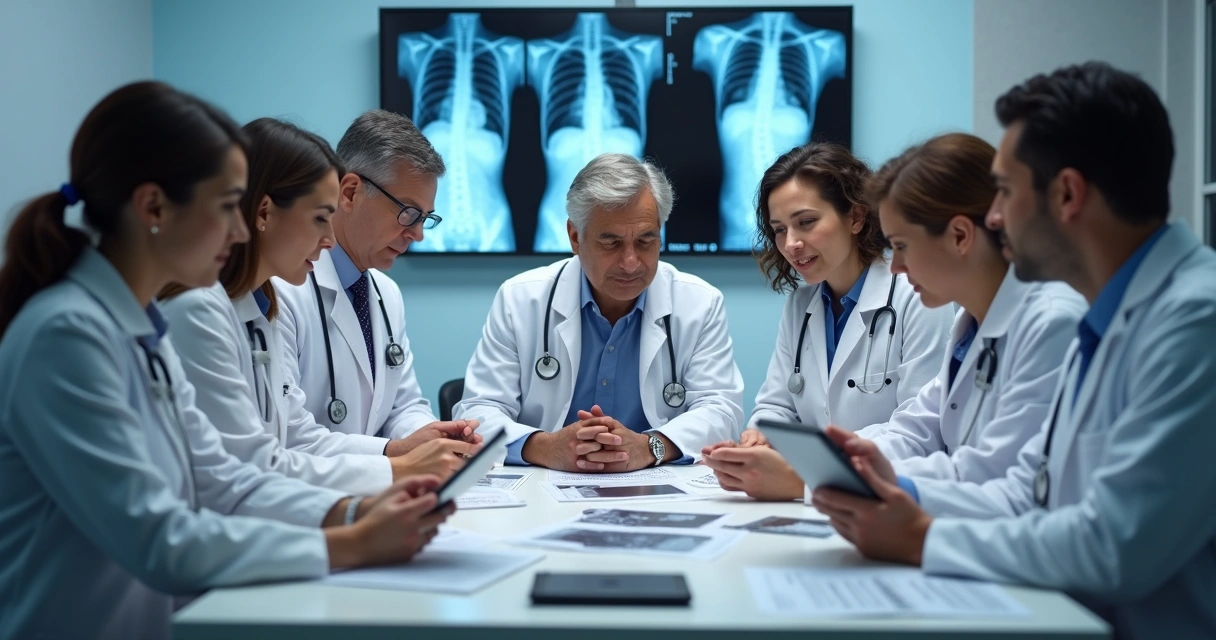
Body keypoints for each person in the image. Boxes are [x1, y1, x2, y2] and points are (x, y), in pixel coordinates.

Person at [0, 82, 452, 640]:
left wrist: (360, 515)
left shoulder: (144, 330)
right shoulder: (65, 335)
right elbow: (158, 539)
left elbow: (224, 481)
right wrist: (351, 542)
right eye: (225, 207)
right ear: (153, 207)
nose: (240, 230)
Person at [811, 63, 1216, 639]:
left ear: (1068, 194)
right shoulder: (1109, 317)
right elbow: (1032, 489)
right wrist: (901, 491)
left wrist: (922, 537)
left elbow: (1114, 548)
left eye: (1003, 190)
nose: (993, 217)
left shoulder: (1194, 320)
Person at [161, 118, 469, 495]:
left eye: (425, 218)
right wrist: (394, 468)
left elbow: (275, 453)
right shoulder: (235, 300)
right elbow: (262, 462)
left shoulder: (263, 305)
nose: (328, 239)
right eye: (320, 217)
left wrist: (421, 443)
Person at [457, 153, 745, 472]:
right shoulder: (521, 298)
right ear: (575, 237)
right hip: (543, 488)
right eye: (611, 243)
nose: (631, 262)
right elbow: (478, 411)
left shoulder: (699, 302)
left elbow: (722, 410)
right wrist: (545, 447)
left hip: (658, 487)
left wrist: (650, 446)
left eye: (646, 241)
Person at [700, 142, 954, 500]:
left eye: (806, 222)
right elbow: (776, 406)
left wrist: (813, 466)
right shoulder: (801, 303)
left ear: (855, 217)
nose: (791, 244)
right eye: (779, 229)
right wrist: (758, 437)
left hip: (886, 494)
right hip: (813, 498)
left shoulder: (916, 297)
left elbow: (920, 432)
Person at [842, 132, 1084, 505]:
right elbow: (916, 430)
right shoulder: (972, 324)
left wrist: (869, 481)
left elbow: (997, 473)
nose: (897, 268)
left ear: (959, 235)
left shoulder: (1052, 324)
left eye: (902, 246)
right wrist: (841, 460)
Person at [275, 109, 480, 459]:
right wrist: (394, 451)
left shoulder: (387, 295)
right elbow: (288, 436)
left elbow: (404, 405)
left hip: (377, 492)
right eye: (408, 212)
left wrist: (433, 439)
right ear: (351, 192)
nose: (416, 234)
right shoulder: (282, 287)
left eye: (425, 219)